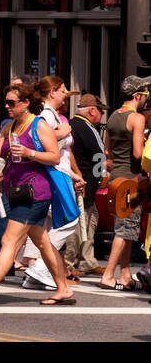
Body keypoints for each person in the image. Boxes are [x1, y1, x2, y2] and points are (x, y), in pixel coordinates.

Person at [0, 82, 76, 307]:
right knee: (42, 242)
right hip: (17, 191)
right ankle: (63, 288)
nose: (7, 106)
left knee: (8, 240)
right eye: (5, 102)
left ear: (26, 103)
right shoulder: (9, 127)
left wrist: (30, 152)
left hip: (36, 192)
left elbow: (53, 156)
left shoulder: (38, 125)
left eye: (12, 103)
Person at [100, 77, 146, 291]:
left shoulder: (112, 117)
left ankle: (125, 274)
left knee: (127, 229)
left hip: (116, 176)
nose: (146, 98)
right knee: (125, 229)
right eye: (145, 94)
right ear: (137, 95)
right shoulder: (137, 118)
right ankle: (109, 275)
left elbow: (107, 151)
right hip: (132, 179)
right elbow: (138, 153)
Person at [66, 93, 105, 277]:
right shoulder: (88, 128)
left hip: (74, 181)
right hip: (84, 184)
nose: (101, 116)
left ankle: (87, 261)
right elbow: (99, 157)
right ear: (92, 111)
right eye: (100, 112)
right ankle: (67, 264)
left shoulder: (71, 124)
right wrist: (100, 178)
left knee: (90, 220)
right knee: (78, 224)